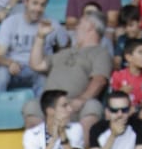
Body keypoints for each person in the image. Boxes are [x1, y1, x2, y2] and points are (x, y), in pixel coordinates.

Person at [28, 9, 111, 141]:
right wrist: (40, 37)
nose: (76, 27)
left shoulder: (100, 53)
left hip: (74, 105)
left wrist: (82, 99)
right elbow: (36, 64)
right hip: (49, 104)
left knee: (93, 106)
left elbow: (99, 80)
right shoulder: (64, 52)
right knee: (32, 106)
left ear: (90, 26)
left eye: (80, 23)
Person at [0, 0, 68, 95]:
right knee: (0, 73)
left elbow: (66, 49)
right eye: (35, 3)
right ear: (25, 2)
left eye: (42, 5)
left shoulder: (53, 25)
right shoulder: (11, 22)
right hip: (13, 69)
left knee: (43, 78)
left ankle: (39, 111)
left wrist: (51, 64)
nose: (38, 8)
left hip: (37, 70)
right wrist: (10, 63)